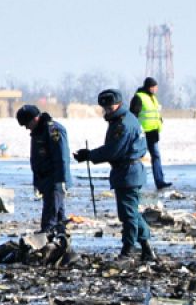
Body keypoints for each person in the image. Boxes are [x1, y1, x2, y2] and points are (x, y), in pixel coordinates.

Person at [72, 89, 153, 261]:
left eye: (109, 108)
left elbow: (113, 150)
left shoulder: (122, 124)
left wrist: (89, 155)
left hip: (127, 172)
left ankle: (128, 250)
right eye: (105, 108)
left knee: (128, 215)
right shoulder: (126, 119)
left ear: (118, 104)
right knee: (132, 212)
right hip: (129, 171)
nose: (107, 111)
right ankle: (146, 248)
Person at [16, 104, 70, 237]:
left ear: (34, 119)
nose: (26, 128)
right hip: (45, 179)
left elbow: (61, 157)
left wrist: (61, 180)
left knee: (51, 213)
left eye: (26, 124)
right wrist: (37, 182)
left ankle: (46, 237)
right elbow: (37, 159)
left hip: (54, 179)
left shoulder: (53, 130)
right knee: (57, 214)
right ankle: (59, 239)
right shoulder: (37, 132)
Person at [128, 77, 170, 190]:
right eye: (154, 87)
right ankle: (134, 180)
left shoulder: (153, 98)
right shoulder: (139, 97)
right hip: (143, 133)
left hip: (153, 132)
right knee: (137, 157)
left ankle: (160, 181)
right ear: (149, 87)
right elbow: (133, 115)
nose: (156, 89)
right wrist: (135, 130)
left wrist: (159, 121)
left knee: (156, 156)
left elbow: (155, 113)